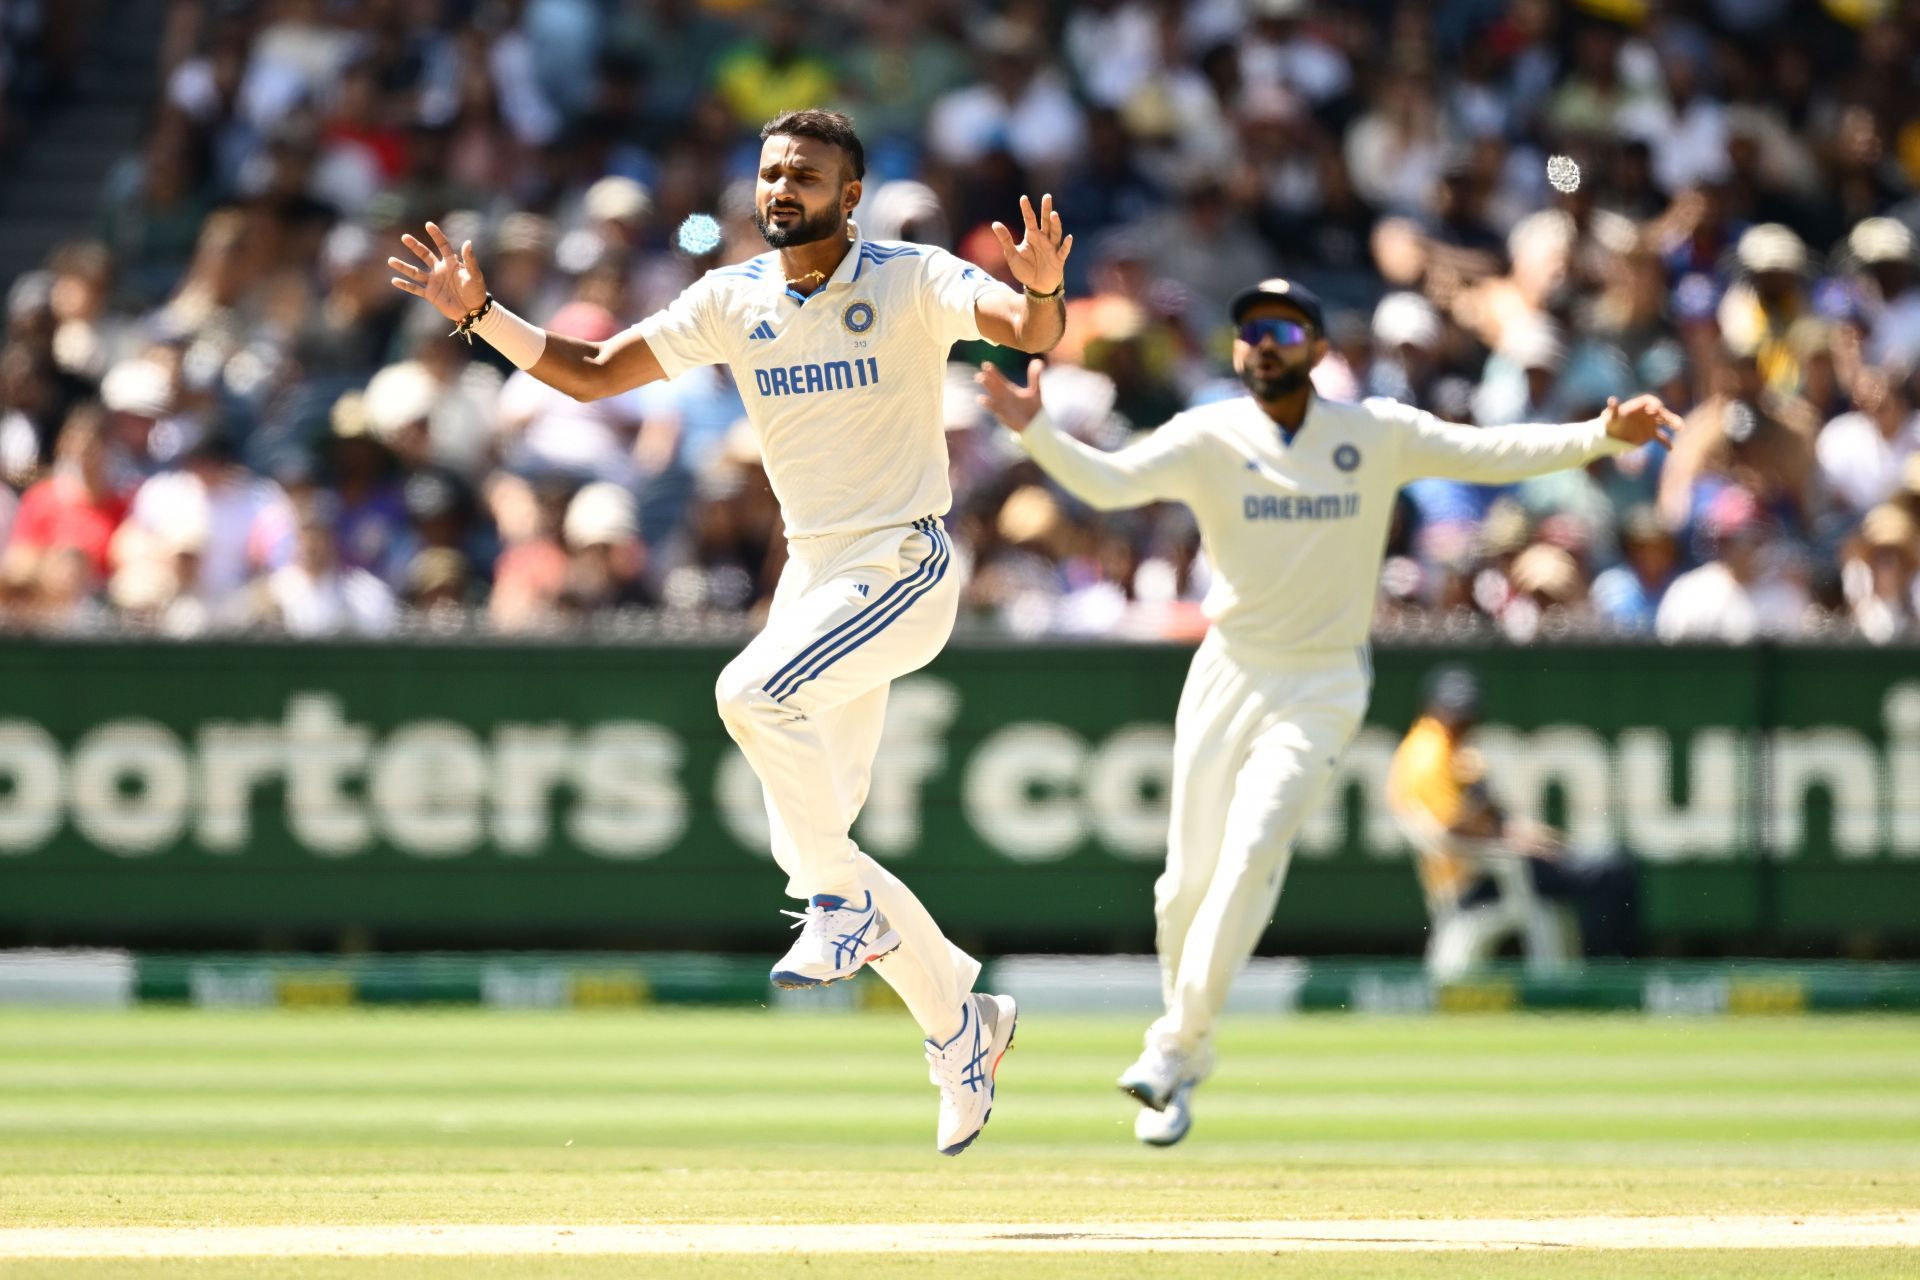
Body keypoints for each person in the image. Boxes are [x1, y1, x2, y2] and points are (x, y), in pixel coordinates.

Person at [391, 109, 1072, 1157]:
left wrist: (1038, 288)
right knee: (807, 844)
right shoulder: (732, 296)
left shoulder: (909, 275)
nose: (781, 187)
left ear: (852, 195)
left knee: (753, 696)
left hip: (905, 556)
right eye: (770, 172)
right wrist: (481, 312)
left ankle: (846, 907)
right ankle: (961, 1024)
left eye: (805, 173)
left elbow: (1028, 332)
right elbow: (591, 368)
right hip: (814, 573)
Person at [977, 277, 1680, 1149]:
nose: (1261, 344)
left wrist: (1600, 435)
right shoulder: (1210, 435)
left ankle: (1174, 1046)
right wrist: (1033, 429)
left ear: (1314, 347)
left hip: (1321, 683)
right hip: (1228, 672)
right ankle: (1186, 1058)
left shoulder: (1373, 432)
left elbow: (1489, 450)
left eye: (1280, 329)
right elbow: (1113, 484)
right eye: (1247, 333)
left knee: (1251, 849)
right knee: (1181, 890)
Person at [1388, 664, 1640, 976]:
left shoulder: (1455, 750)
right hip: (1481, 878)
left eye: (1468, 708)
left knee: (1604, 863)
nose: (1464, 718)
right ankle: (1610, 976)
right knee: (1614, 870)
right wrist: (1515, 842)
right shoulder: (1428, 752)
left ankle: (1599, 972)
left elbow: (1489, 817)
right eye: (1455, 708)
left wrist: (1525, 835)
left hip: (1497, 864)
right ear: (1433, 705)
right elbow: (1453, 825)